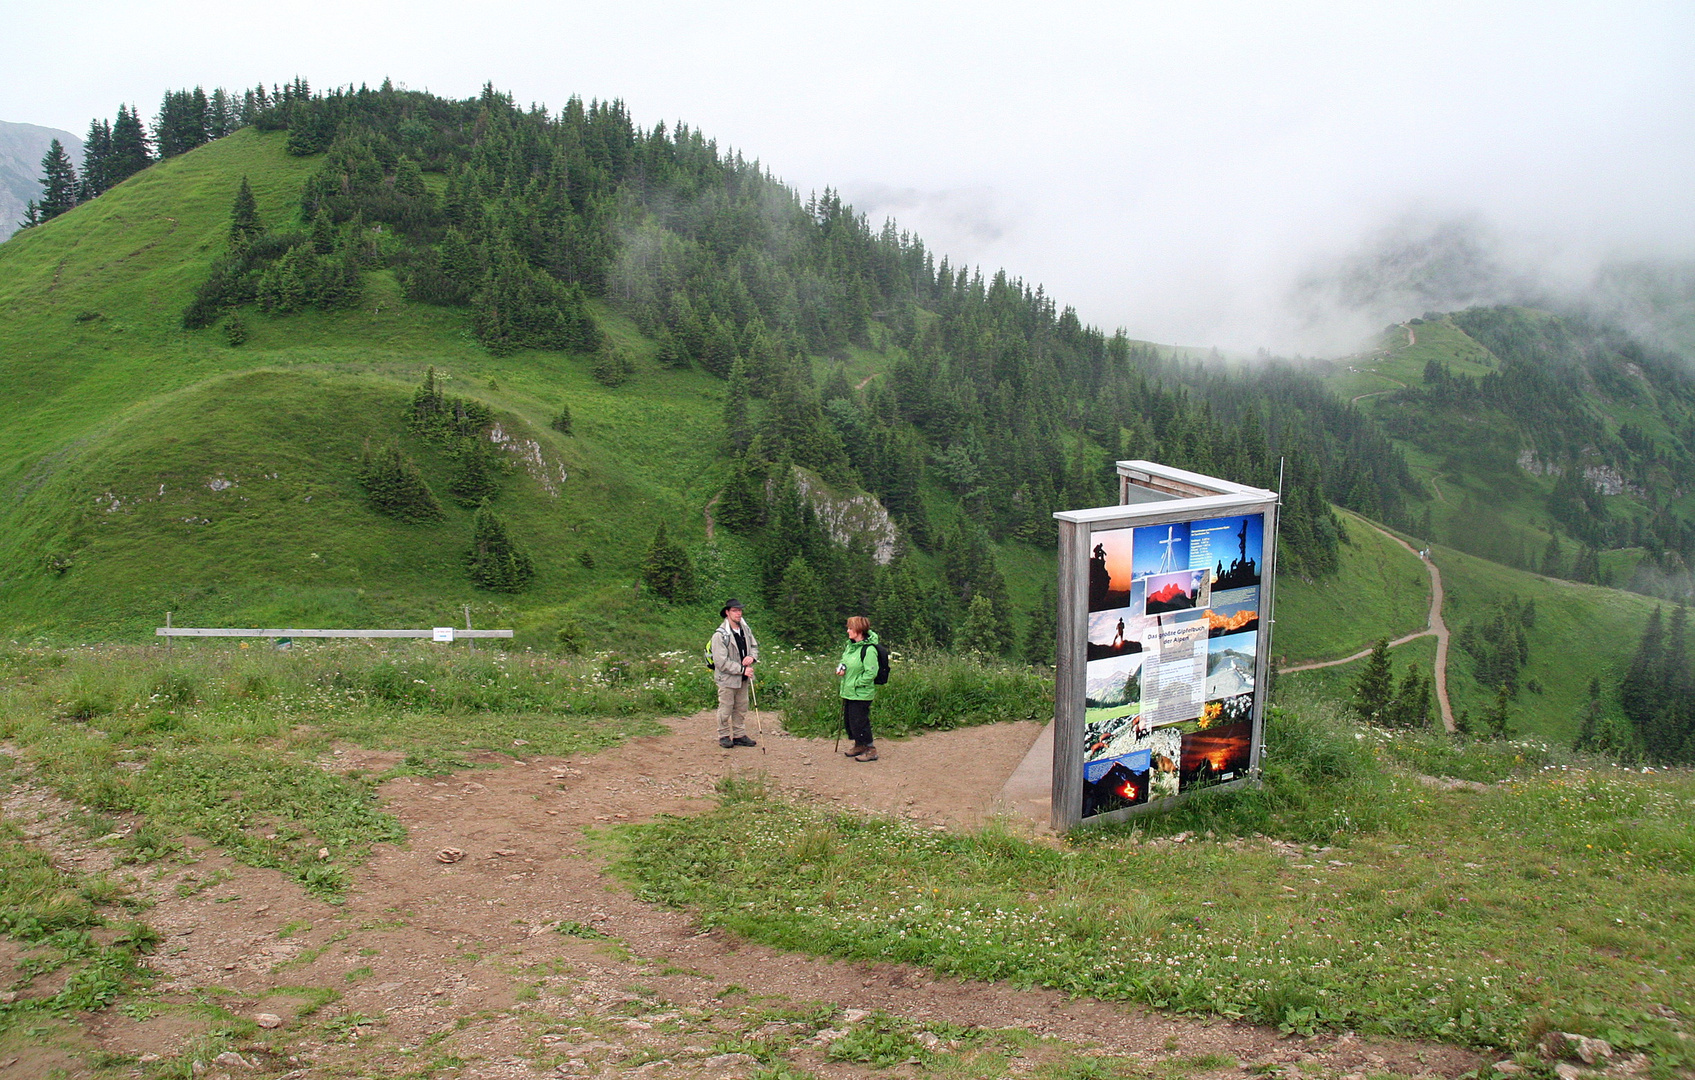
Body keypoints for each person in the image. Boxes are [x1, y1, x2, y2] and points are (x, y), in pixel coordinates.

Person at [709, 599, 759, 749]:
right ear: (727, 612)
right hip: (727, 679)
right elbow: (720, 662)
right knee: (726, 707)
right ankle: (723, 735)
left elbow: (754, 646)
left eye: (740, 610)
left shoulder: (745, 630)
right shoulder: (719, 635)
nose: (738, 613)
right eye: (735, 611)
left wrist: (752, 657)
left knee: (742, 706)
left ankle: (739, 734)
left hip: (743, 678)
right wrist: (742, 669)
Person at [836, 615, 881, 761]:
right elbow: (845, 661)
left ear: (858, 630)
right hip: (849, 691)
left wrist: (856, 683)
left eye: (850, 628)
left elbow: (871, 672)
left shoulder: (869, 650)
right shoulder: (851, 647)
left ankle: (870, 749)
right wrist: (841, 668)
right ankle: (859, 745)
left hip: (861, 693)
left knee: (860, 721)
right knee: (850, 721)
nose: (848, 631)